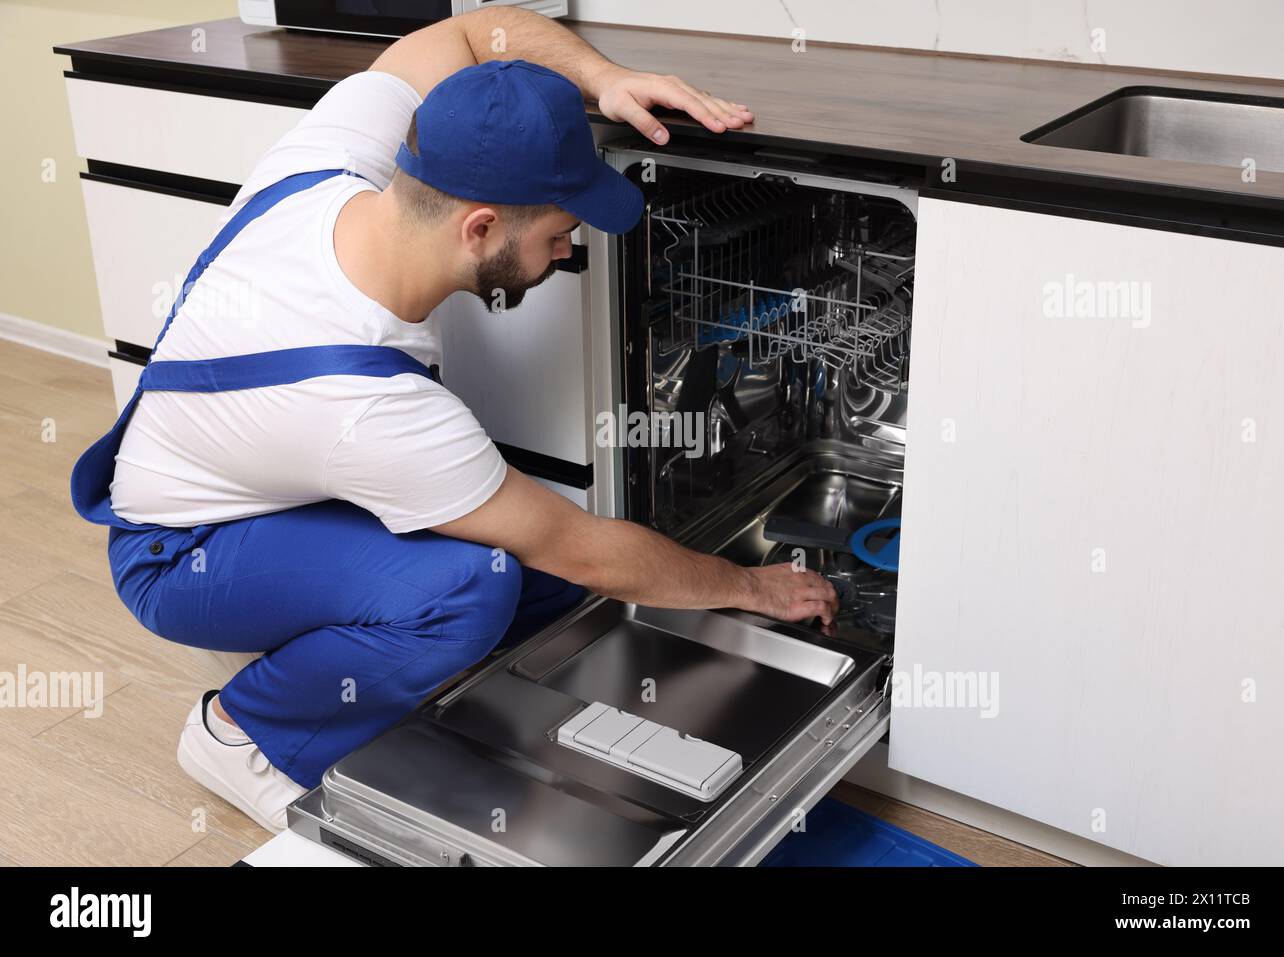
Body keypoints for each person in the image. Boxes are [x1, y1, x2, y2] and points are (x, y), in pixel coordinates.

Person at [70, 7, 837, 833]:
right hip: (178, 554)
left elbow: (474, 32)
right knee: (473, 588)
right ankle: (241, 730)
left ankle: (363, 650)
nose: (567, 253)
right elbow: (583, 547)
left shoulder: (333, 159)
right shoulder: (369, 409)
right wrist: (752, 584)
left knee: (525, 571)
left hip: (260, 479)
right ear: (480, 228)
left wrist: (602, 78)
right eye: (558, 233)